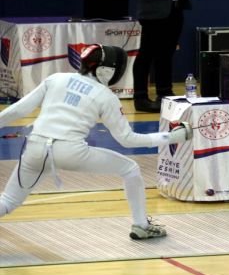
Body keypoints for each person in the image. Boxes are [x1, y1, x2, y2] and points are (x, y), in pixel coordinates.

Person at [0, 44, 193, 239]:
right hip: (70, 153)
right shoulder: (105, 96)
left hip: (34, 148)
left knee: (7, 201)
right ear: (105, 70)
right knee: (130, 169)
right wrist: (173, 137)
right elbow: (128, 140)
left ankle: (142, 225)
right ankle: (141, 224)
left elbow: (18, 110)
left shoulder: (55, 79)